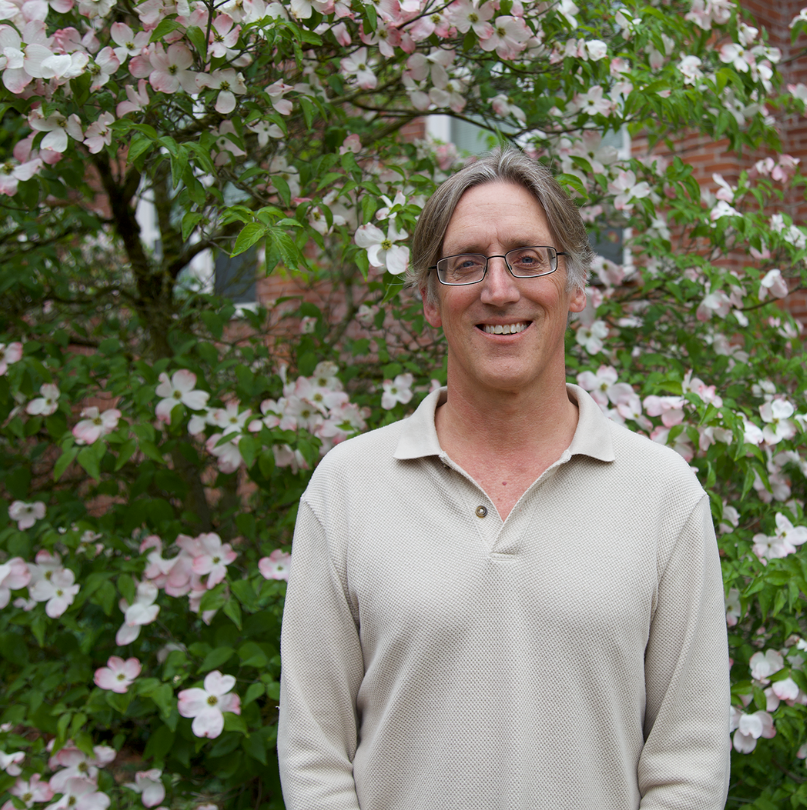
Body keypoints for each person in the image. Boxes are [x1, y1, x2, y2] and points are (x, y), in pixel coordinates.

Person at [277, 148, 730, 810]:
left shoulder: (663, 496)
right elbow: (315, 754)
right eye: (466, 264)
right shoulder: (345, 489)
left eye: (527, 257)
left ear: (574, 288)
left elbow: (688, 759)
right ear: (431, 301)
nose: (498, 289)